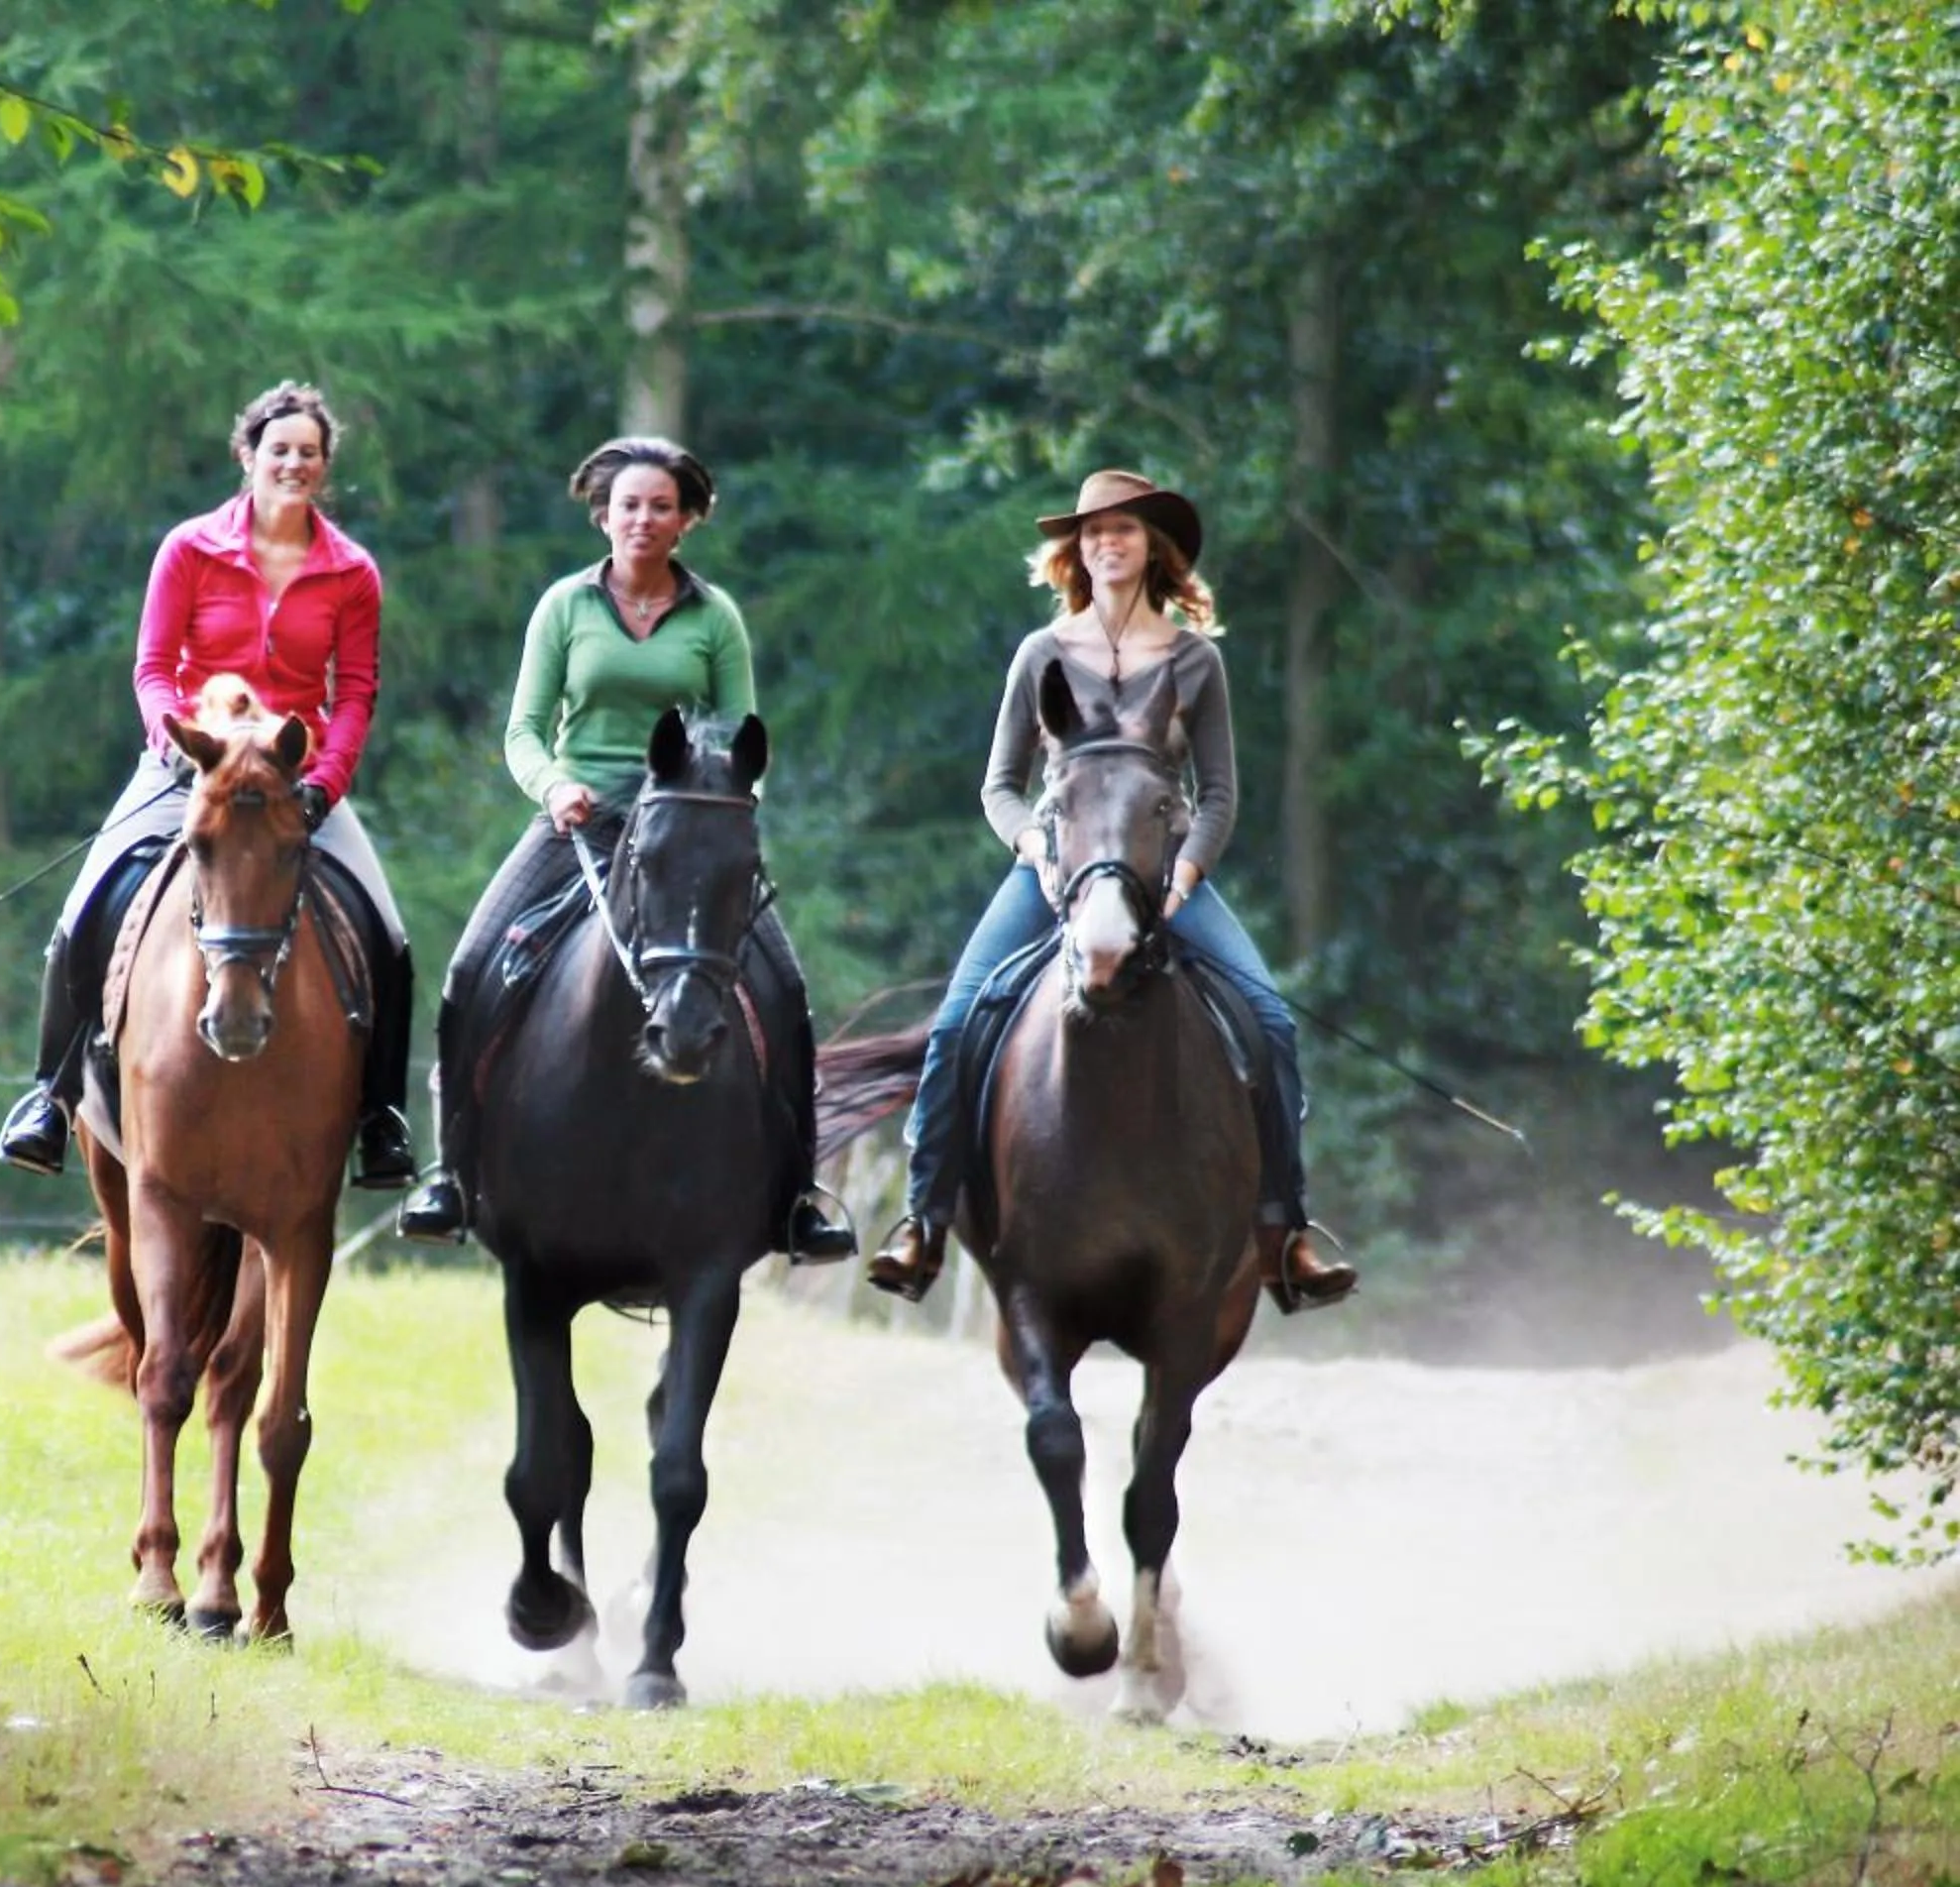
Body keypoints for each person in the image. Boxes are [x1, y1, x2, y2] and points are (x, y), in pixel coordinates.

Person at [864, 468, 1358, 1311]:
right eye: (1092, 532)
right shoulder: (1041, 654)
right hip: (1053, 870)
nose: (1105, 543)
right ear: (1074, 551)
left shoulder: (1197, 662)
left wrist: (1185, 877)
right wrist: (1034, 848)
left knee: (1271, 1022)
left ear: (1152, 549)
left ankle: (1285, 1232)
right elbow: (1000, 785)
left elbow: (1220, 795)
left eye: (1122, 531)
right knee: (955, 1022)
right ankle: (924, 1220)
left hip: (1164, 876)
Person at [397, 436, 856, 1264]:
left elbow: (744, 733)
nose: (642, 519)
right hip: (577, 819)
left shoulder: (715, 619)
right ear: (603, 516)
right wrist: (552, 788)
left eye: (660, 506)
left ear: (686, 522)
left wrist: (721, 809)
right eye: (628, 506)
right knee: (470, 969)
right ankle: (452, 1173)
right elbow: (524, 732)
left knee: (783, 986)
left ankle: (797, 1195)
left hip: (684, 827)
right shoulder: (564, 608)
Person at [0, 381, 417, 1188]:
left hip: (296, 781)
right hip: (189, 765)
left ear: (325, 469)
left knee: (389, 940)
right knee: (82, 910)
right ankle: (48, 1096)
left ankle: (381, 1122)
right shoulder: (189, 547)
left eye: (309, 454)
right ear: (248, 456)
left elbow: (356, 690)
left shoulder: (352, 571)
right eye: (279, 450)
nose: (293, 464)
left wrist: (326, 781)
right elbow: (153, 668)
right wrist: (176, 744)